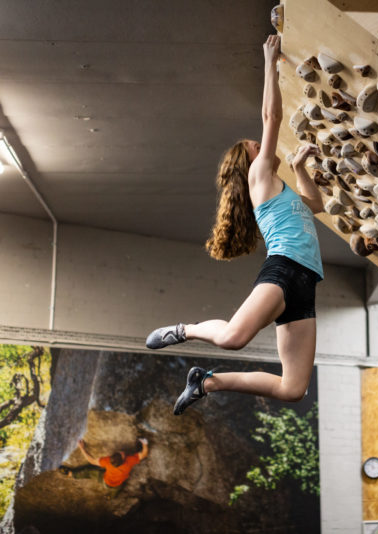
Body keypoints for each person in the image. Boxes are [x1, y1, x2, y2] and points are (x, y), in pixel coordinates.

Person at [145, 34, 324, 416]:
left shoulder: (282, 188)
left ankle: (208, 382)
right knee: (232, 338)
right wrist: (270, 64)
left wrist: (299, 168)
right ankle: (185, 330)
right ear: (249, 164)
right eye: (255, 146)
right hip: (285, 270)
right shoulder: (259, 175)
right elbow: (271, 117)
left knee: (293, 389)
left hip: (305, 282)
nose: (262, 147)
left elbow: (316, 205)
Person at [60, 438, 149, 495]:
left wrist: (82, 448)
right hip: (118, 484)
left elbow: (91, 460)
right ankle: (111, 496)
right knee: (117, 489)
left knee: (89, 472)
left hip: (106, 482)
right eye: (121, 454)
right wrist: (144, 444)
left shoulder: (107, 462)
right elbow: (144, 454)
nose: (122, 452)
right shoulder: (129, 461)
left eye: (121, 453)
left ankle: (71, 474)